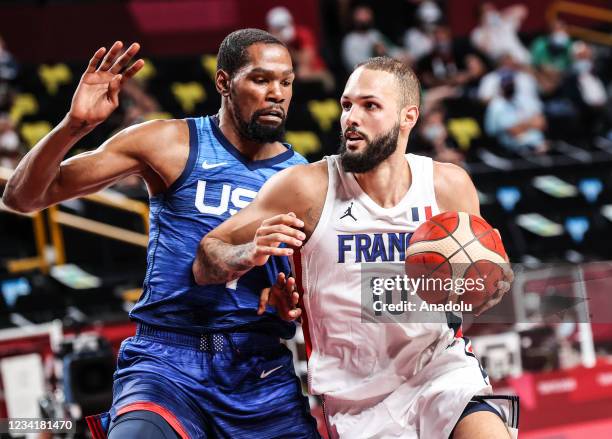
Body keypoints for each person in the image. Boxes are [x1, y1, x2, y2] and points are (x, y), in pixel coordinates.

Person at [2, 29, 320, 439]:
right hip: (167, 363)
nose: (277, 92)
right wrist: (73, 126)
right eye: (261, 79)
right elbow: (22, 197)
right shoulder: (168, 142)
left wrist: (293, 301)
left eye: (286, 82)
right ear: (223, 82)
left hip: (258, 370)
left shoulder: (303, 178)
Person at [195, 57, 518, 438]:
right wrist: (246, 255)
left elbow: (479, 292)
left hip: (440, 373)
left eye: (370, 106)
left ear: (407, 117)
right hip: (355, 403)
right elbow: (206, 257)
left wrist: (488, 281)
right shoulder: (307, 188)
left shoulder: (448, 185)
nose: (351, 117)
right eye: (347, 105)